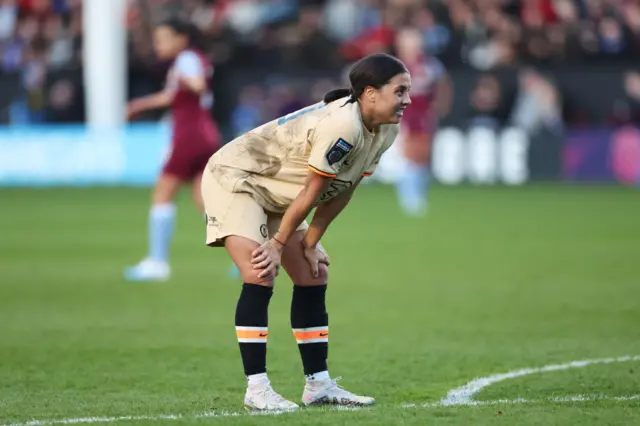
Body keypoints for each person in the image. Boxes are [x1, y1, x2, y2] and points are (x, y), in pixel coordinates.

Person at [201, 53, 411, 411]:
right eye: (400, 90)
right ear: (371, 93)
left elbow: (344, 190)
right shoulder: (343, 125)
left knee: (315, 274)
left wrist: (310, 243)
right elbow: (313, 191)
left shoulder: (386, 128)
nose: (407, 99)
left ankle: (318, 385)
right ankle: (257, 389)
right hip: (238, 178)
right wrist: (278, 244)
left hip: (281, 192)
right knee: (260, 270)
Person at [124, 19, 221, 282]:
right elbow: (172, 96)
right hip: (206, 132)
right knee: (205, 201)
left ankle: (157, 262)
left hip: (189, 135)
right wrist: (139, 105)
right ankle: (249, 254)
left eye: (163, 39)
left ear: (181, 38)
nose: (159, 46)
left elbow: (197, 85)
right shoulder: (193, 58)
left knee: (163, 193)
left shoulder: (186, 59)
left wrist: (190, 82)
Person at [394, 27, 451, 216]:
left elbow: (443, 84)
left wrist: (440, 105)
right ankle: (409, 197)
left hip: (424, 114)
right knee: (409, 153)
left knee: (424, 154)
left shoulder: (430, 65)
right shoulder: (394, 66)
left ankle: (418, 193)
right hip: (403, 114)